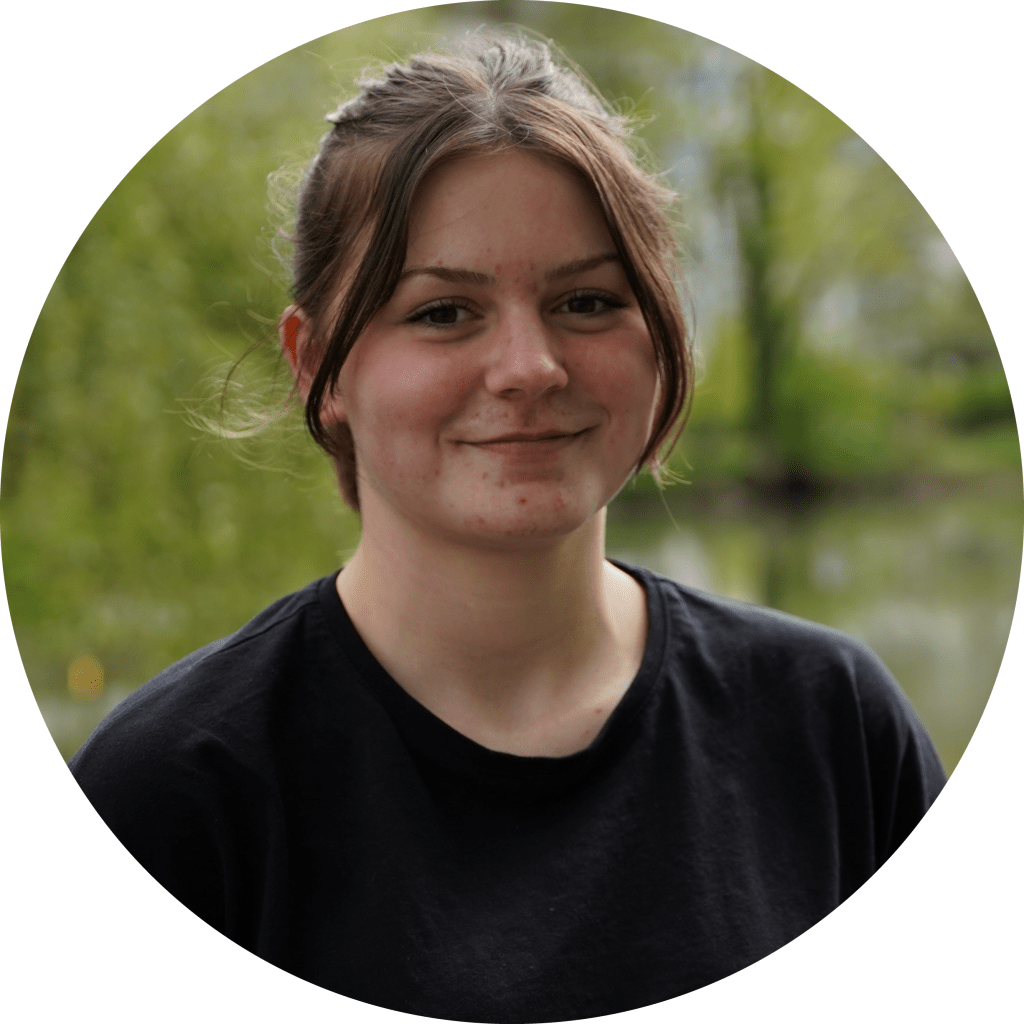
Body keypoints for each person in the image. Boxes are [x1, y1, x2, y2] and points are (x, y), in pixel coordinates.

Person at [70, 35, 945, 1023]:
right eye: (443, 312)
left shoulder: (832, 725)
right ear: (317, 365)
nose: (530, 366)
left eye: (587, 301)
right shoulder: (173, 792)